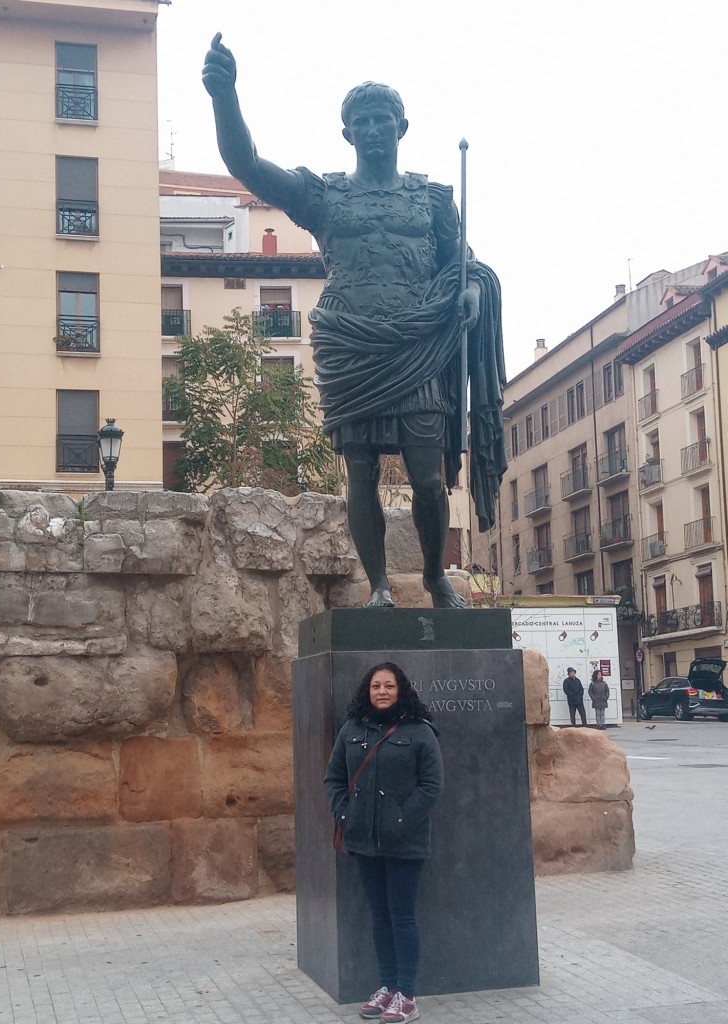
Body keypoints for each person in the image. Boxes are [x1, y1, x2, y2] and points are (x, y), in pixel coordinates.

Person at [202, 34, 506, 610]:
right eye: (361, 121)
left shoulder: (434, 198)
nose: (371, 129)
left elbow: (463, 260)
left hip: (417, 346)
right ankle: (381, 588)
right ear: (347, 133)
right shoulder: (325, 197)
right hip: (352, 345)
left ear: (401, 127)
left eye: (382, 119)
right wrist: (225, 95)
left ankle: (437, 579)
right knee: (360, 473)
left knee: (426, 475)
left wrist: (469, 290)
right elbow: (245, 165)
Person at [324, 662, 443, 1022]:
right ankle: (387, 987)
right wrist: (346, 816)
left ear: (400, 689)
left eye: (389, 686)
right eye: (376, 686)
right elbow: (334, 778)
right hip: (364, 842)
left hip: (405, 843)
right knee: (379, 917)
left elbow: (432, 785)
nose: (382, 692)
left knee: (402, 917)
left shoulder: (419, 732)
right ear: (368, 690)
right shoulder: (351, 729)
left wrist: (401, 819)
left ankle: (406, 994)